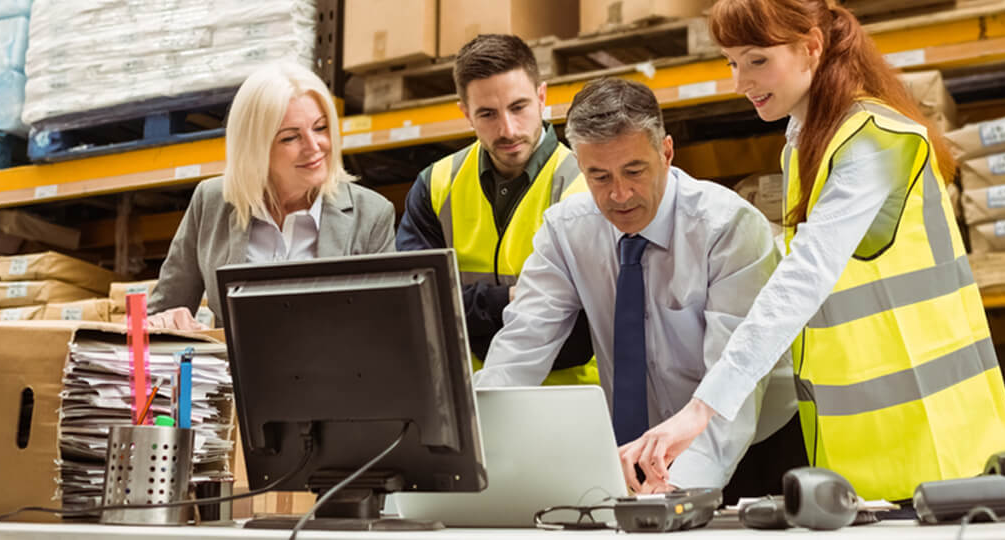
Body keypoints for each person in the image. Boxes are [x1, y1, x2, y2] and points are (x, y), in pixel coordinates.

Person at [622, 0, 1005, 503]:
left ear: (811, 47)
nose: (741, 81)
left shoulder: (870, 142)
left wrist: (702, 409)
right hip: (866, 451)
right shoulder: (807, 142)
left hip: (936, 443)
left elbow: (804, 278)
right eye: (732, 63)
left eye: (757, 60)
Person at [474, 77, 803, 500]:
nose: (619, 194)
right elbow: (521, 345)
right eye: (598, 176)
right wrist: (469, 450)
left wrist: (678, 492)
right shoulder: (567, 231)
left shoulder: (728, 228)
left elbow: (733, 385)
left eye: (634, 170)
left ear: (666, 152)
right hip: (632, 454)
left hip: (749, 448)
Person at [396, 34, 598, 385]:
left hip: (570, 397)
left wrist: (468, 307)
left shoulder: (588, 184)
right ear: (465, 112)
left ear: (542, 97)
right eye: (487, 114)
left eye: (518, 107)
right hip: (470, 400)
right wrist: (508, 298)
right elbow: (415, 304)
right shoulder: (436, 186)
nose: (508, 129)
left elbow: (581, 320)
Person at [147, 62, 396, 330]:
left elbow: (387, 328)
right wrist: (165, 323)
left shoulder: (371, 214)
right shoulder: (211, 201)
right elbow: (161, 314)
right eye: (291, 138)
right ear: (255, 148)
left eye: (321, 128)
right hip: (233, 372)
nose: (314, 147)